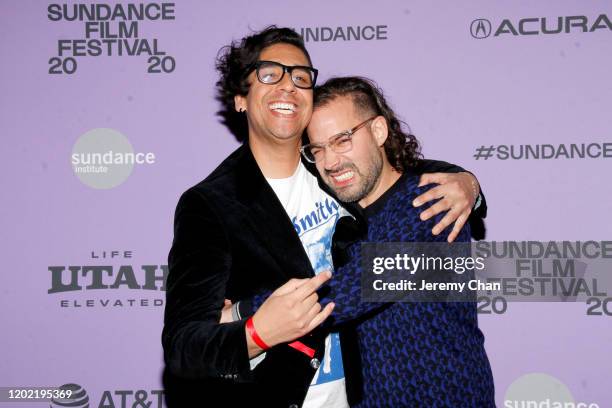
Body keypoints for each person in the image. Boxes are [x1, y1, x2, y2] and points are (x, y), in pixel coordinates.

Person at [162, 26, 487, 408]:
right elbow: (186, 349)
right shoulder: (211, 204)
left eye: (300, 77)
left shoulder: (337, 175)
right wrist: (256, 331)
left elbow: (399, 181)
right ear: (240, 99)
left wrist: (470, 183)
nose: (288, 86)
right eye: (270, 73)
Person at [241, 76, 495, 406]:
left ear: (378, 131)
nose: (330, 162)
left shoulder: (430, 203)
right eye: (317, 149)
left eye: (342, 140)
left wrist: (242, 313)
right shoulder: (335, 219)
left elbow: (348, 291)